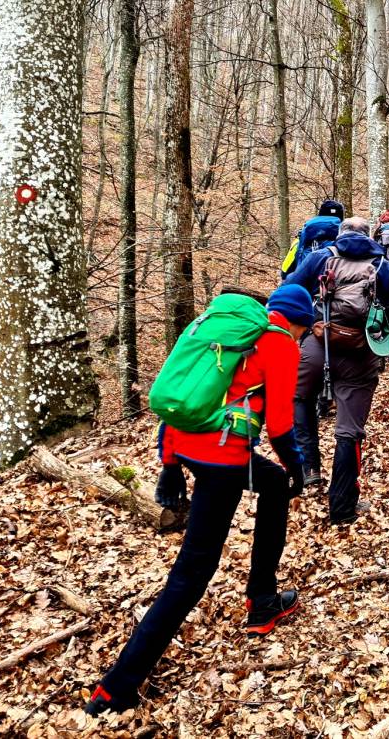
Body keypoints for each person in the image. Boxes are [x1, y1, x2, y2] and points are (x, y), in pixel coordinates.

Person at [84, 284, 316, 716]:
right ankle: (118, 685)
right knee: (193, 570)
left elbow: (176, 404)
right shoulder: (277, 344)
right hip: (222, 459)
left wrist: (170, 463)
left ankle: (262, 597)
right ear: (299, 322)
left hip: (191, 448)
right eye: (304, 330)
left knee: (272, 485)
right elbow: (282, 425)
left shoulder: (208, 327)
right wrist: (299, 468)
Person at [284, 218, 389, 524]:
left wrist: (310, 321)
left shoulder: (320, 257)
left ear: (340, 234)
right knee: (349, 431)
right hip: (361, 351)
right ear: (369, 235)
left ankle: (309, 468)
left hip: (317, 346)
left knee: (298, 397)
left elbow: (287, 291)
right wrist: (379, 322)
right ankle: (342, 508)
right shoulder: (382, 264)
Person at [280, 200, 345, 280]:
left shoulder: (301, 239)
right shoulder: (347, 240)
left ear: (320, 215)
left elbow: (284, 271)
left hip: (307, 289)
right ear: (341, 218)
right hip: (338, 289)